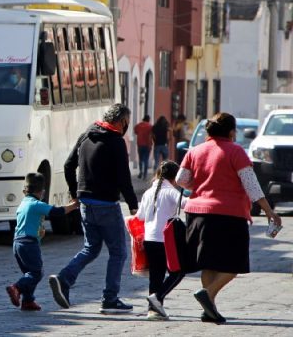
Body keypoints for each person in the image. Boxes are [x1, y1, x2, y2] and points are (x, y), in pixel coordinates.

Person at [176, 112, 282, 324]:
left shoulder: (195, 151)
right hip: (229, 215)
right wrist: (269, 211)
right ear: (232, 132)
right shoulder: (236, 152)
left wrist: (201, 186)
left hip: (197, 213)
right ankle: (209, 294)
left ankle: (210, 310)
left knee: (209, 263)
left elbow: (181, 180)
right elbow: (251, 185)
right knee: (234, 263)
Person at [48, 103, 139, 314]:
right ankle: (110, 299)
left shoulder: (86, 135)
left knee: (91, 248)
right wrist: (133, 206)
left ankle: (64, 279)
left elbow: (68, 166)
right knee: (118, 252)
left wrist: (75, 192)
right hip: (107, 204)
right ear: (122, 121)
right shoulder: (116, 142)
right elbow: (124, 178)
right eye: (127, 122)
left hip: (86, 204)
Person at [6, 173, 79, 311]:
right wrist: (74, 205)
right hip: (29, 243)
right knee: (36, 273)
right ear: (42, 192)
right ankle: (16, 288)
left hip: (18, 243)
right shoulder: (36, 204)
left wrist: (39, 230)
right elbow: (57, 212)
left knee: (29, 273)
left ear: (24, 191)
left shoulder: (23, 204)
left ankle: (28, 301)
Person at [136, 161, 186, 320]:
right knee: (178, 272)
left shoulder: (148, 192)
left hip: (149, 239)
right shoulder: (171, 192)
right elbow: (187, 204)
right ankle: (158, 297)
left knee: (155, 276)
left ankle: (153, 310)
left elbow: (140, 217)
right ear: (174, 178)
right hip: (165, 240)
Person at [134, 115, 153, 180]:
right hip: (147, 144)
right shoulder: (150, 126)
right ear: (148, 119)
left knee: (141, 159)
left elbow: (135, 132)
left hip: (140, 144)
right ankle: (145, 175)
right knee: (146, 160)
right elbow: (151, 135)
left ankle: (140, 172)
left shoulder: (138, 125)